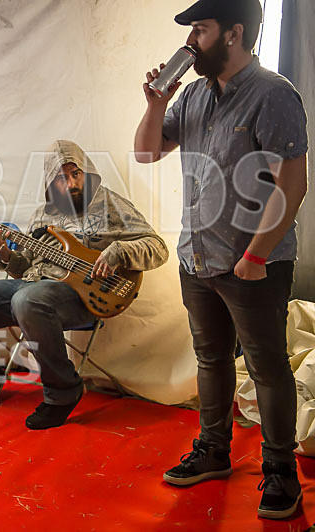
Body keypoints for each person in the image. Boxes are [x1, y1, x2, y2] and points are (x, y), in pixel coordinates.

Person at [134, 0, 308, 520]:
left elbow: (292, 185)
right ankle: (213, 450)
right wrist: (154, 102)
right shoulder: (190, 95)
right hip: (197, 258)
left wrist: (256, 256)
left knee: (267, 366)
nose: (190, 41)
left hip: (253, 264)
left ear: (234, 33)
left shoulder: (274, 95)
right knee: (210, 360)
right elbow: (145, 153)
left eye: (200, 30)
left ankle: (280, 472)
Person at [0, 139, 168, 429]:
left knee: (27, 300)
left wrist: (118, 252)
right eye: (60, 177)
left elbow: (157, 247)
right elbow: (22, 269)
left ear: (86, 172)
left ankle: (63, 391)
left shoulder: (110, 204)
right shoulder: (43, 214)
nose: (70, 183)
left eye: (75, 173)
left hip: (84, 295)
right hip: (34, 287)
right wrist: (5, 252)